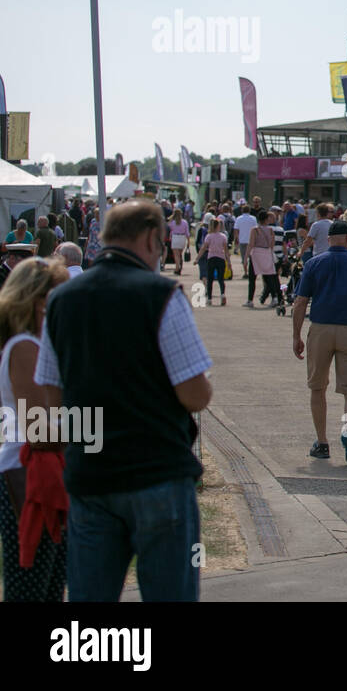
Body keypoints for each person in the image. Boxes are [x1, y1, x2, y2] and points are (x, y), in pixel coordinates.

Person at [35, 199, 213, 601]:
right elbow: (195, 395)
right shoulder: (163, 294)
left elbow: (49, 392)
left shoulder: (62, 299)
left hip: (90, 475)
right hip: (158, 474)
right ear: (152, 237)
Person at [0, 256, 71, 601]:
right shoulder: (25, 347)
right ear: (37, 302)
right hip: (27, 479)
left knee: (49, 587)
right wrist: (100, 428)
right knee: (30, 589)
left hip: (43, 476)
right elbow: (39, 430)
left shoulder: (39, 345)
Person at [292, 219, 347, 465]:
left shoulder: (313, 263)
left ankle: (322, 443)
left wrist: (296, 335)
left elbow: (300, 302)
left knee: (317, 387)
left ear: (328, 239)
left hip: (320, 329)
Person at [248, 210, 281, 309]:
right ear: (267, 219)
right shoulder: (270, 230)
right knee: (268, 277)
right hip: (267, 253)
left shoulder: (255, 230)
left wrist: (246, 257)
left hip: (256, 254)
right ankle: (274, 297)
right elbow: (272, 243)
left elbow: (251, 244)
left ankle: (250, 300)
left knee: (252, 278)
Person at [199, 217, 229, 305]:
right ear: (218, 226)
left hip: (211, 257)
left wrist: (197, 258)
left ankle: (209, 298)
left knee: (210, 279)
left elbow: (203, 248)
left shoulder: (209, 236)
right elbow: (226, 250)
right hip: (221, 258)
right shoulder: (223, 236)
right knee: (221, 278)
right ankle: (222, 294)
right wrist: (229, 261)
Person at [233, 205, 257, 277]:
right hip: (251, 240)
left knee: (244, 257)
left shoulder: (238, 219)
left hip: (242, 240)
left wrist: (236, 238)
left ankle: (246, 272)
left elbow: (236, 230)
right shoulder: (253, 218)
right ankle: (252, 271)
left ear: (242, 210)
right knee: (252, 257)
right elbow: (256, 229)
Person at [166, 209, 189, 277]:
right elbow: (187, 233)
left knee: (176, 255)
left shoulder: (172, 222)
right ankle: (179, 266)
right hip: (182, 238)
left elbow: (168, 226)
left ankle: (177, 268)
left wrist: (171, 218)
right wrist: (188, 242)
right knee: (179, 254)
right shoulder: (185, 222)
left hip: (175, 237)